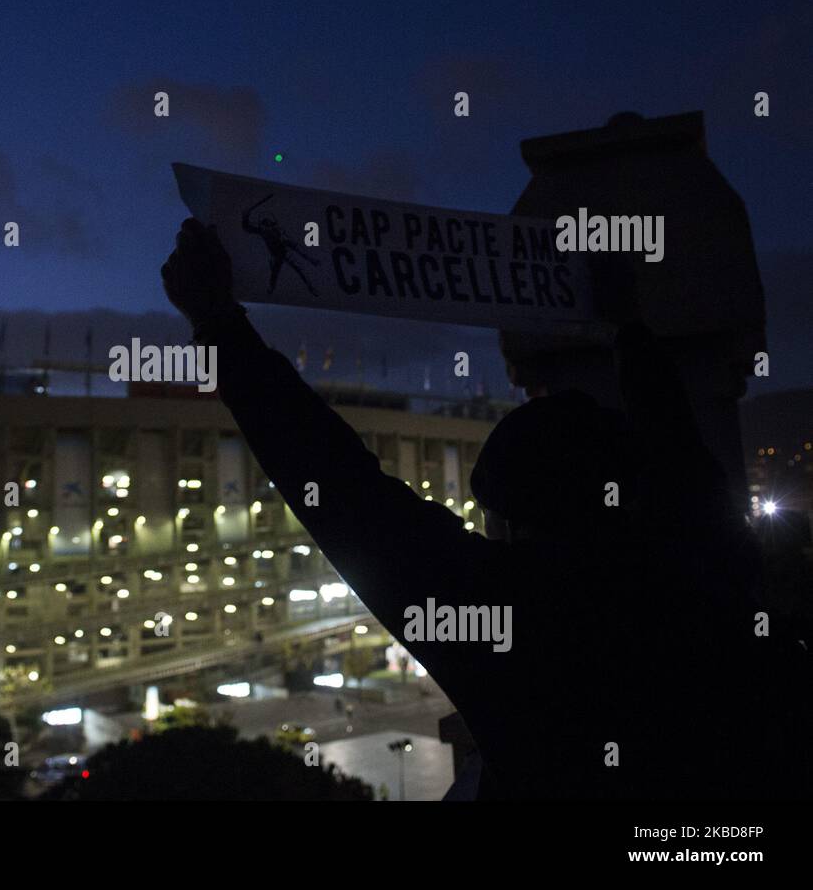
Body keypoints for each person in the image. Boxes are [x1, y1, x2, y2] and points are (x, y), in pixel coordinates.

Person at [161, 218, 812, 799]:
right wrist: (631, 327)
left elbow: (341, 489)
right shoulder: (703, 549)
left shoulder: (516, 618)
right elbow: (677, 445)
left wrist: (218, 322)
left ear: (513, 522)